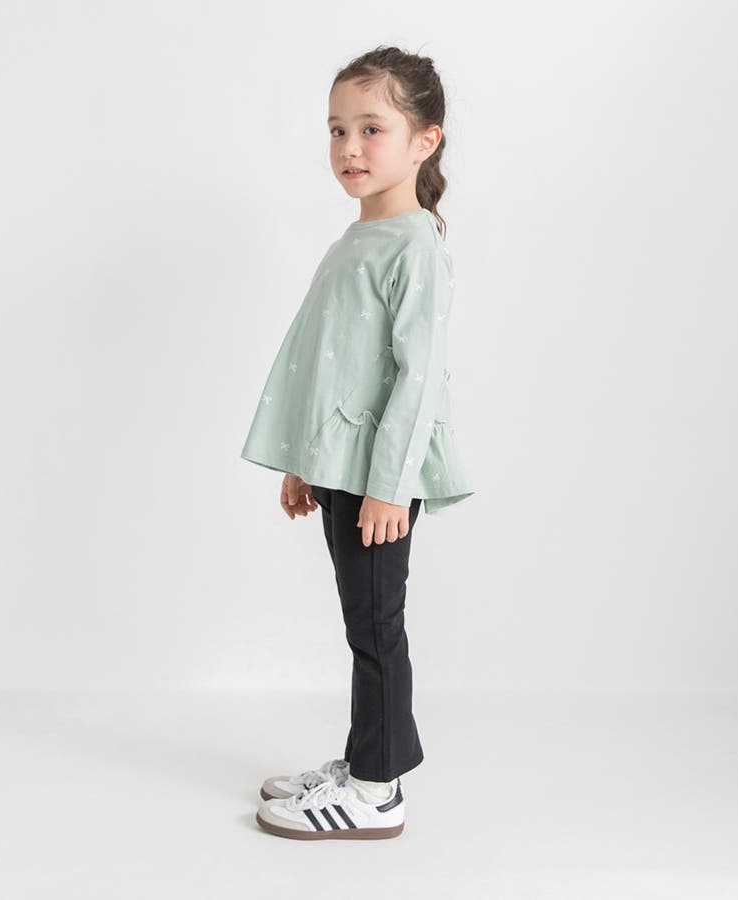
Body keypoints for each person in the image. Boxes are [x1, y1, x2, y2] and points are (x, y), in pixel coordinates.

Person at [241, 45, 475, 840]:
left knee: (376, 628)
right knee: (362, 622)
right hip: (345, 466)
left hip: (381, 477)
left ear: (424, 141)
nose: (349, 147)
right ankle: (365, 760)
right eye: (338, 129)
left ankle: (377, 790)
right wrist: (306, 462)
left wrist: (387, 487)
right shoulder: (357, 240)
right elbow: (334, 366)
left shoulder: (416, 246)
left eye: (371, 128)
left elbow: (417, 379)